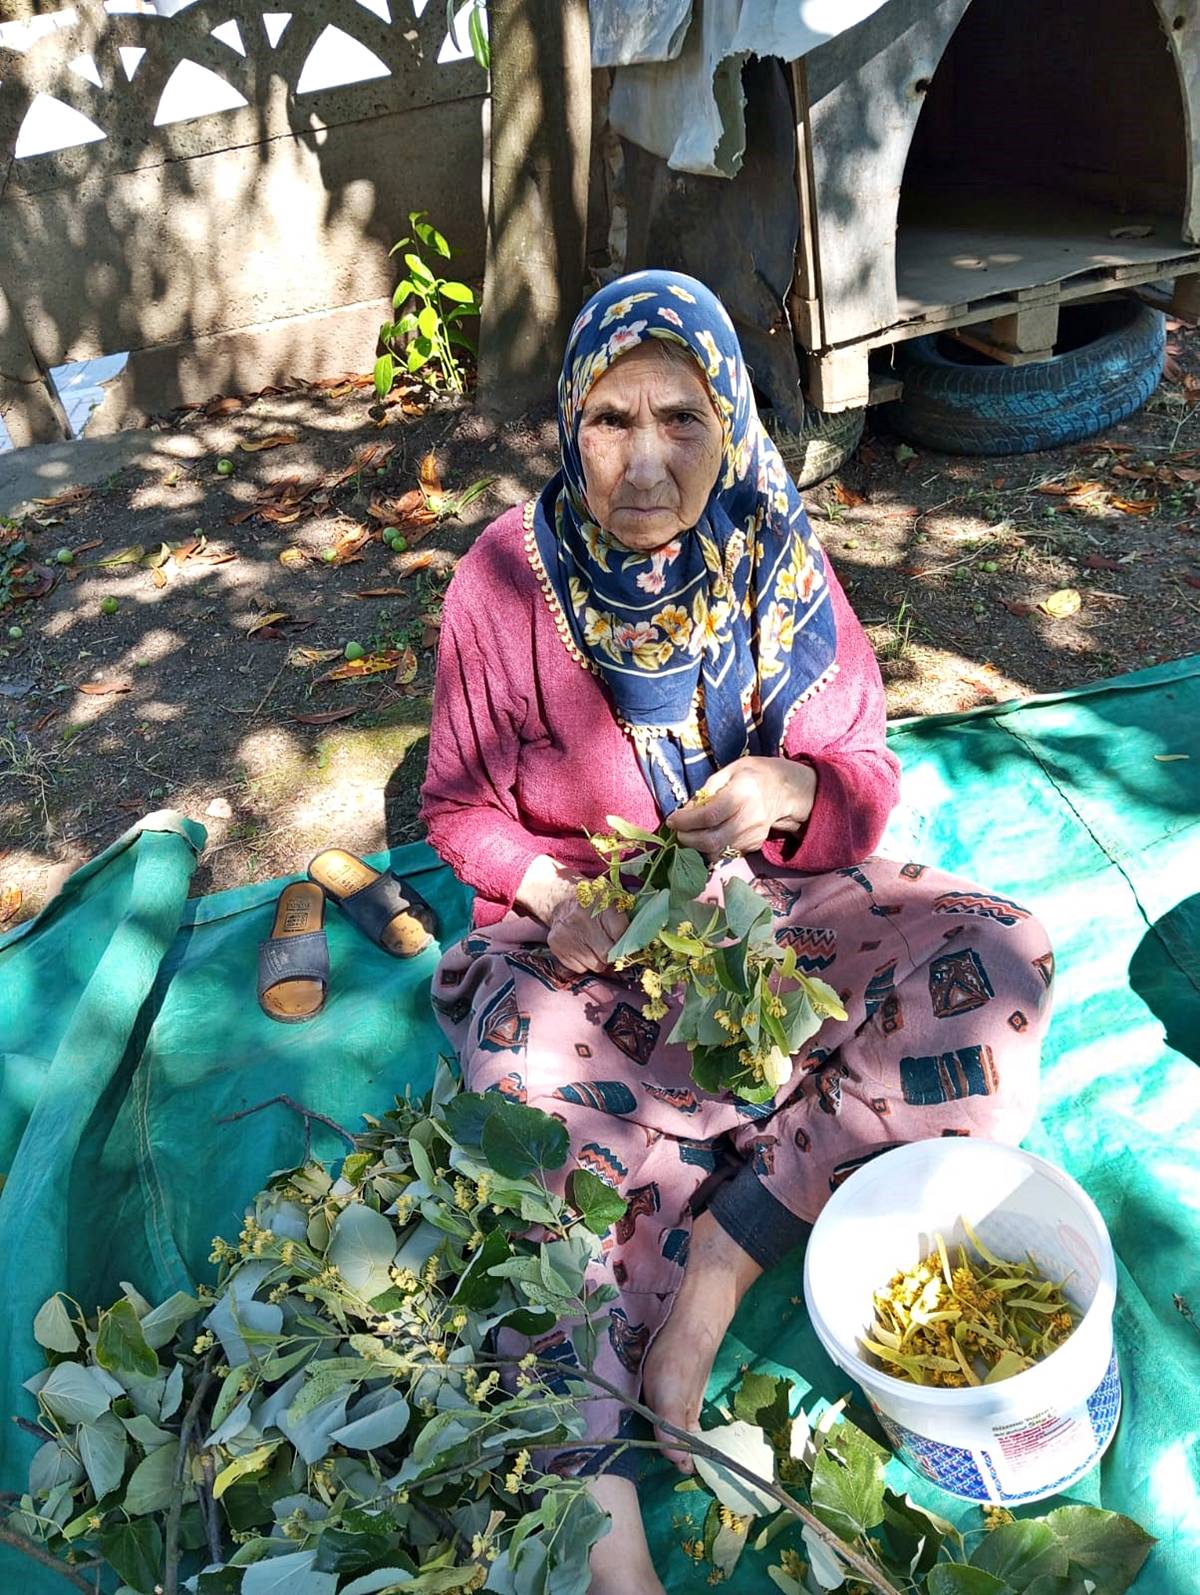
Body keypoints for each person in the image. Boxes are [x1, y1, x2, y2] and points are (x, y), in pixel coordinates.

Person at [419, 270, 1053, 1594]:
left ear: (730, 426)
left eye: (681, 420)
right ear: (568, 424)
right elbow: (458, 807)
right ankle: (606, 1533)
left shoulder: (776, 557)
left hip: (777, 926)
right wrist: (550, 895)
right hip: (581, 967)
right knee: (518, 1123)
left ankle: (705, 1292)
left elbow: (863, 770)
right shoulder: (501, 578)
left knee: (989, 967)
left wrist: (789, 788)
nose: (645, 458)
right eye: (608, 420)